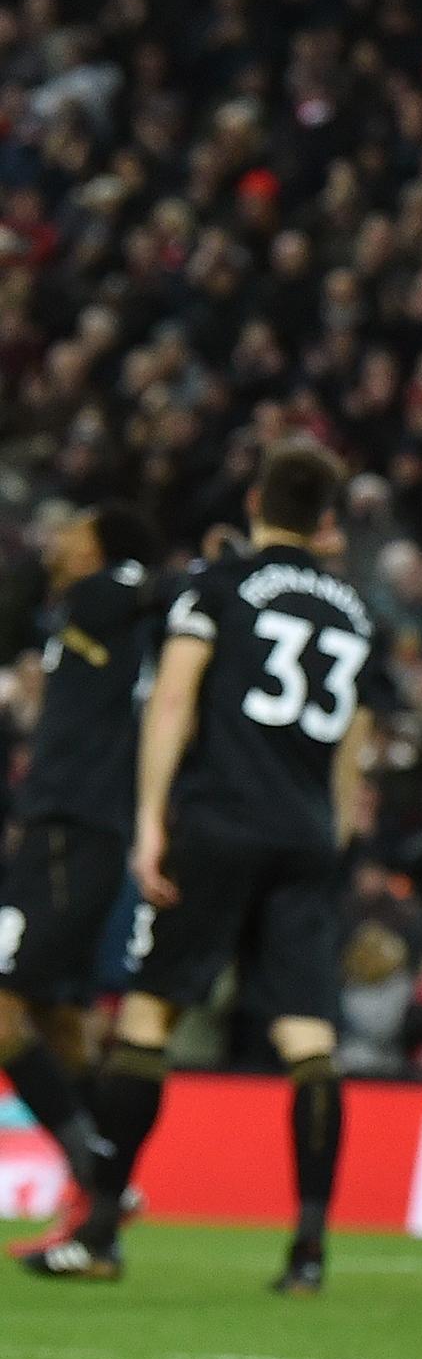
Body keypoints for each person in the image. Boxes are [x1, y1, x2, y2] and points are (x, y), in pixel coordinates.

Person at [24, 441, 385, 1293]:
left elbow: (177, 697)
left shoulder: (218, 587)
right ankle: (307, 1252)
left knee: (146, 1018)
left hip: (221, 825)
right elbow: (353, 741)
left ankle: (102, 1234)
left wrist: (150, 822)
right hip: (303, 838)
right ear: (329, 521)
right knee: (308, 1037)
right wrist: (330, 835)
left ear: (257, 501)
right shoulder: (353, 611)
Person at [0, 503, 159, 1257]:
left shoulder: (112, 589)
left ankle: (100, 1173)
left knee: (2, 1010)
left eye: (73, 528)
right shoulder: (86, 616)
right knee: (57, 1019)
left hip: (74, 833)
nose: (57, 537)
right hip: (70, 833)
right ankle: (106, 1189)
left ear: (100, 545)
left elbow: (153, 584)